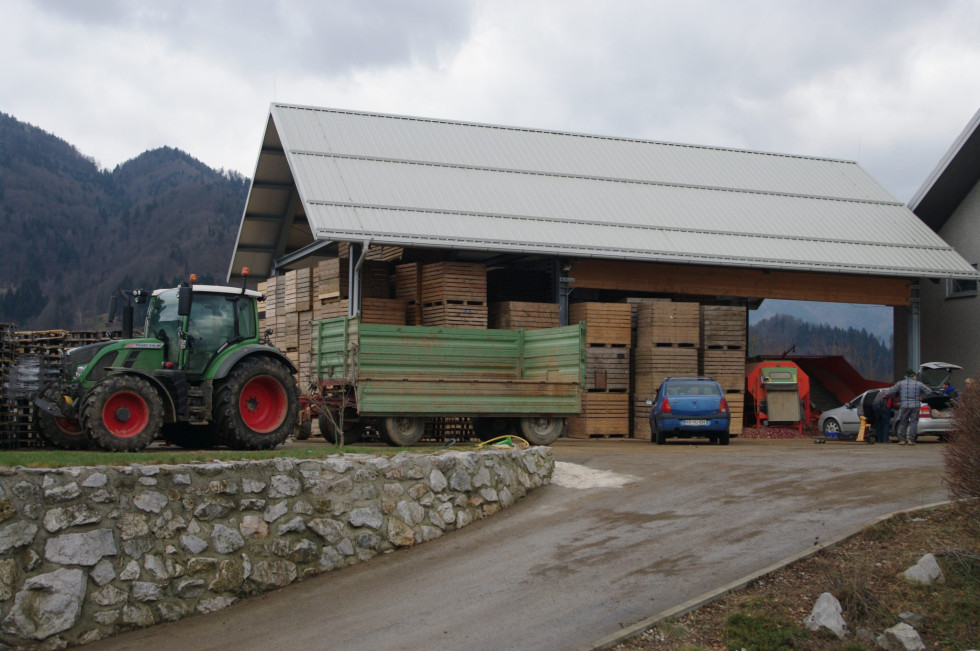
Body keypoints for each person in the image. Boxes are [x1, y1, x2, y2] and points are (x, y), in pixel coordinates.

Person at [886, 369, 931, 445]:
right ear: (913, 376)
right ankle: (911, 440)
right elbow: (929, 391)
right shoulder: (919, 384)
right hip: (915, 405)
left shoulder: (900, 383)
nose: (916, 377)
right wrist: (922, 397)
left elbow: (890, 391)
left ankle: (902, 440)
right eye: (915, 376)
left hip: (904, 406)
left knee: (903, 422)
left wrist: (885, 396)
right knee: (913, 422)